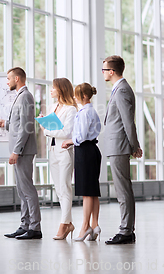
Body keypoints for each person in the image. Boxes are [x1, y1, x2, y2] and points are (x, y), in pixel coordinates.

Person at [0, 67, 42, 240]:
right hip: (20, 150)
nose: (7, 82)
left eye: (9, 78)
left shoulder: (25, 96)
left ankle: (35, 228)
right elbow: (18, 123)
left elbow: (26, 127)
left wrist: (17, 151)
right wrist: (5, 123)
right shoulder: (21, 96)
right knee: (22, 190)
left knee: (27, 189)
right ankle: (25, 225)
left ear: (17, 78)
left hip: (23, 151)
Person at [102, 55, 143, 245]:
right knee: (122, 188)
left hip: (119, 145)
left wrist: (134, 145)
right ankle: (127, 229)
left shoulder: (122, 90)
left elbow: (128, 122)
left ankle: (126, 230)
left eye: (104, 70)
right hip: (116, 145)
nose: (103, 73)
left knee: (123, 190)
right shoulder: (119, 89)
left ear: (112, 71)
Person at [62, 83, 102, 242]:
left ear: (84, 96)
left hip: (85, 151)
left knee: (87, 192)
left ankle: (85, 227)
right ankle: (95, 224)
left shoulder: (85, 112)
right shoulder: (90, 111)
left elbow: (82, 135)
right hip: (91, 150)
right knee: (93, 191)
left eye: (76, 95)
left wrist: (69, 141)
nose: (74, 97)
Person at [39, 78, 77, 240]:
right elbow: (52, 127)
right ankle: (68, 222)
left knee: (65, 187)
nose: (51, 90)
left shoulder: (71, 110)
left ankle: (64, 224)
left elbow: (66, 132)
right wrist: (43, 121)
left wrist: (46, 130)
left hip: (65, 151)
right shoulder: (52, 107)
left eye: (53, 88)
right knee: (59, 189)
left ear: (61, 90)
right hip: (53, 150)